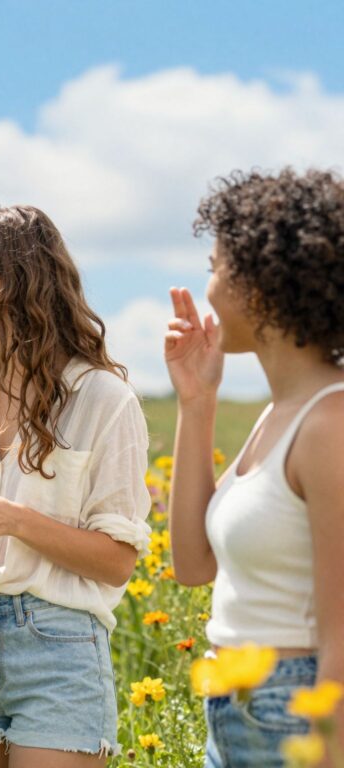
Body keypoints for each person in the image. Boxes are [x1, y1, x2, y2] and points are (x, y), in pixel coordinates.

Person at [0, 205, 152, 767]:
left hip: (57, 649)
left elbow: (117, 562)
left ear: (12, 280)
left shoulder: (102, 399)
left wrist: (15, 520)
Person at [164, 169, 344, 767]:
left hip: (293, 711)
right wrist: (196, 402)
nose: (209, 289)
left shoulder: (330, 424)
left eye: (215, 268)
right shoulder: (280, 414)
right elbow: (192, 564)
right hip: (237, 710)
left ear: (260, 284)